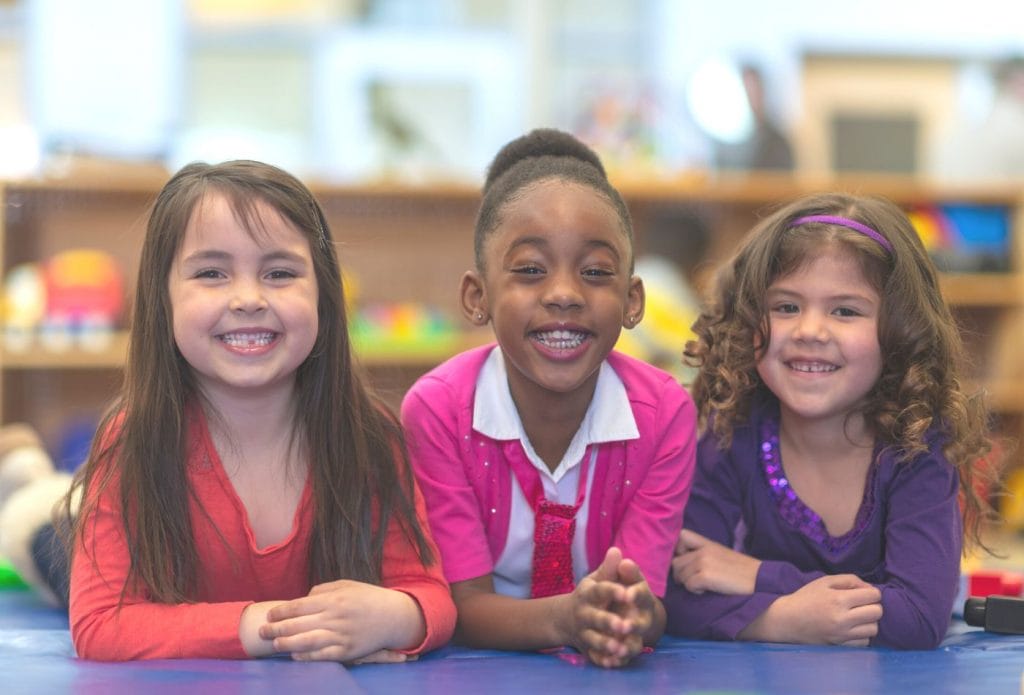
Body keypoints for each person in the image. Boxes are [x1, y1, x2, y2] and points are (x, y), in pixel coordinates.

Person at [64, 160, 456, 662]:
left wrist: (392, 616)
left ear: (325, 296)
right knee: (39, 540)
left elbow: (429, 596)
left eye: (279, 273)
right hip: (74, 546)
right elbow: (101, 624)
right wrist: (281, 627)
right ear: (162, 297)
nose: (248, 298)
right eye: (211, 273)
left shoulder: (369, 435)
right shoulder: (132, 438)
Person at [400, 128, 698, 668]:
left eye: (596, 272)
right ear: (477, 296)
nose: (563, 293)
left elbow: (649, 601)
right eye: (530, 270)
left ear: (633, 301)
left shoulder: (666, 414)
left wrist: (629, 616)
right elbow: (463, 607)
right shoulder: (438, 411)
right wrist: (567, 618)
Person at [664, 193, 995, 650]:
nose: (810, 331)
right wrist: (780, 620)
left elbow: (919, 616)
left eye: (845, 311)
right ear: (748, 321)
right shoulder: (731, 429)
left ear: (899, 330)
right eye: (785, 307)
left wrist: (757, 576)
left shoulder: (916, 444)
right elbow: (677, 594)